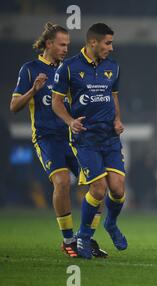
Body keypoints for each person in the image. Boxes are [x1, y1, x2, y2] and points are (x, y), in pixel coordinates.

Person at [10, 22, 107, 258]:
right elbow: (14, 107)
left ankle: (85, 239)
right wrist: (33, 90)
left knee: (99, 185)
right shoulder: (30, 69)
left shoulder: (70, 69)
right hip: (47, 138)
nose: (66, 49)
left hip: (73, 137)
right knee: (62, 182)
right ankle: (68, 241)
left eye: (68, 45)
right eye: (62, 45)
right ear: (49, 44)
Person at [52, 23, 127, 259]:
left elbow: (112, 97)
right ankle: (83, 237)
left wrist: (117, 120)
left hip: (110, 137)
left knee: (118, 189)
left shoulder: (113, 67)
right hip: (85, 138)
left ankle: (111, 224)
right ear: (93, 42)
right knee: (98, 187)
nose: (111, 48)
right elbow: (56, 102)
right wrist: (69, 121)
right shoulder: (68, 68)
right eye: (107, 43)